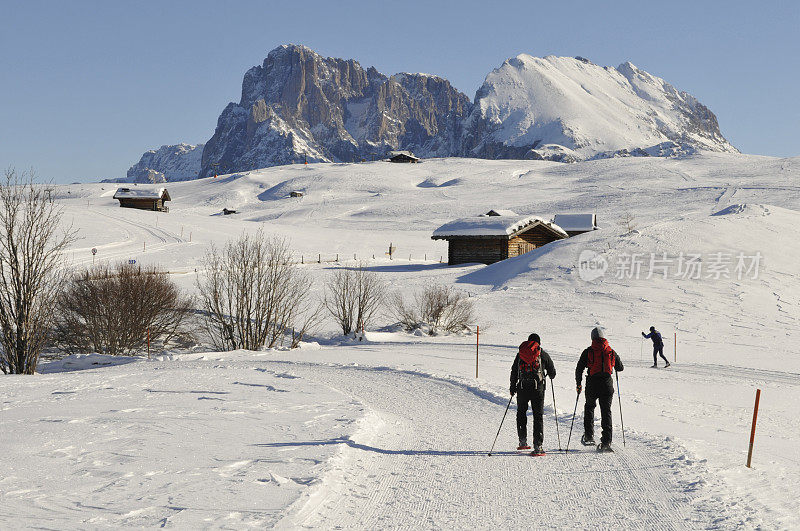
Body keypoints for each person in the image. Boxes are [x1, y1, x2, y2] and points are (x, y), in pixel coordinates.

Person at [575, 327, 624, 452]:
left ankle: (589, 436)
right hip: (607, 384)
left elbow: (579, 368)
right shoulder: (611, 351)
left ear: (592, 338)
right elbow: (620, 367)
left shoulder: (588, 351)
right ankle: (606, 442)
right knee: (606, 412)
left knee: (590, 407)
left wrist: (579, 384)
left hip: (592, 383)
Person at [510, 333, 556, 455]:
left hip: (522, 387)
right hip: (538, 389)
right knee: (538, 416)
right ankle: (538, 446)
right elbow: (552, 372)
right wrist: (548, 374)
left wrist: (512, 387)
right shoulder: (542, 354)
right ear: (538, 343)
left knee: (521, 413)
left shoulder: (520, 354)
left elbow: (514, 371)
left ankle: (522, 441)